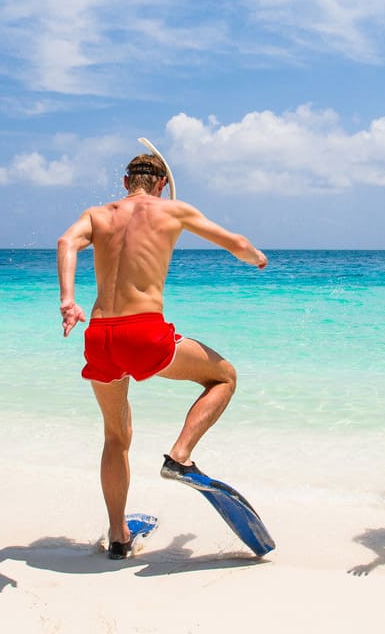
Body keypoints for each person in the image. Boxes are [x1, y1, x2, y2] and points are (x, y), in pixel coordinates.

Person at [57, 152, 268, 559]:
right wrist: (256, 257)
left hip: (99, 335)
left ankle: (118, 537)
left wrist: (69, 300)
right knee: (224, 377)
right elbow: (237, 244)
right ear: (161, 184)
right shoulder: (174, 209)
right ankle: (180, 456)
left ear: (124, 182)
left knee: (116, 437)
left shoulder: (98, 215)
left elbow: (66, 242)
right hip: (144, 334)